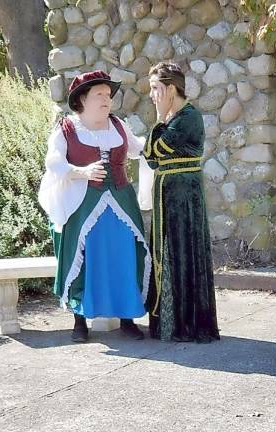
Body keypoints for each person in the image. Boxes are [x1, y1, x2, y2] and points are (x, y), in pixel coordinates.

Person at [38, 70, 151, 342]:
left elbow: (139, 149)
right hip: (84, 203)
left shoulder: (119, 125)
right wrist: (83, 172)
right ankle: (80, 319)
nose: (107, 99)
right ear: (82, 100)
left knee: (124, 254)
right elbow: (53, 163)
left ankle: (128, 317)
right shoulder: (67, 129)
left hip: (121, 199)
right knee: (86, 256)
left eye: (108, 94)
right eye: (99, 94)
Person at [144, 62, 220, 343]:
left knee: (183, 252)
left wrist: (160, 117)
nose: (152, 95)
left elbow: (159, 148)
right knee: (166, 252)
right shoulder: (170, 118)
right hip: (166, 196)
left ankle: (185, 324)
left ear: (171, 88)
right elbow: (151, 159)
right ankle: (166, 322)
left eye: (155, 89)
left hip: (184, 197)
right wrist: (160, 118)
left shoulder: (189, 117)